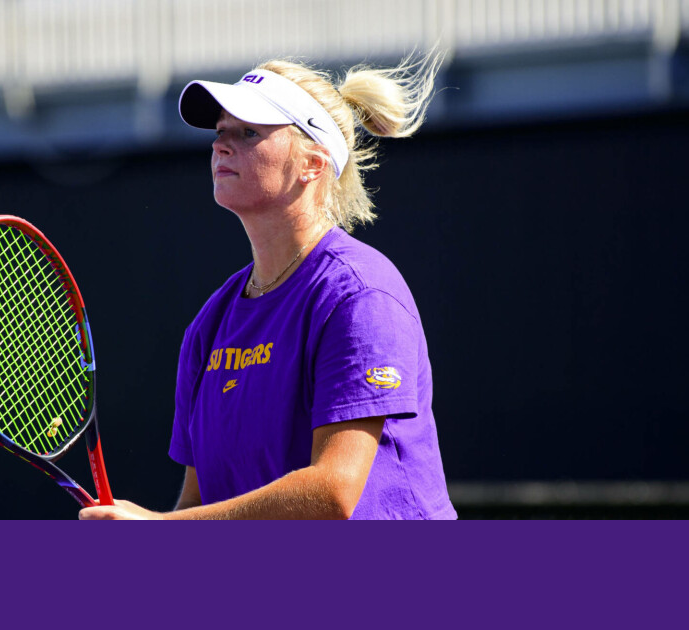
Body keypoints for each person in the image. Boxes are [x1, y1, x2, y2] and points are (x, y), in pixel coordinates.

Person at [80, 53, 456, 520]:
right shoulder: (209, 326)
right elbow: (199, 508)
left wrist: (160, 529)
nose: (221, 145)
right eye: (220, 132)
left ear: (312, 165)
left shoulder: (361, 296)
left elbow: (332, 492)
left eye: (249, 132)